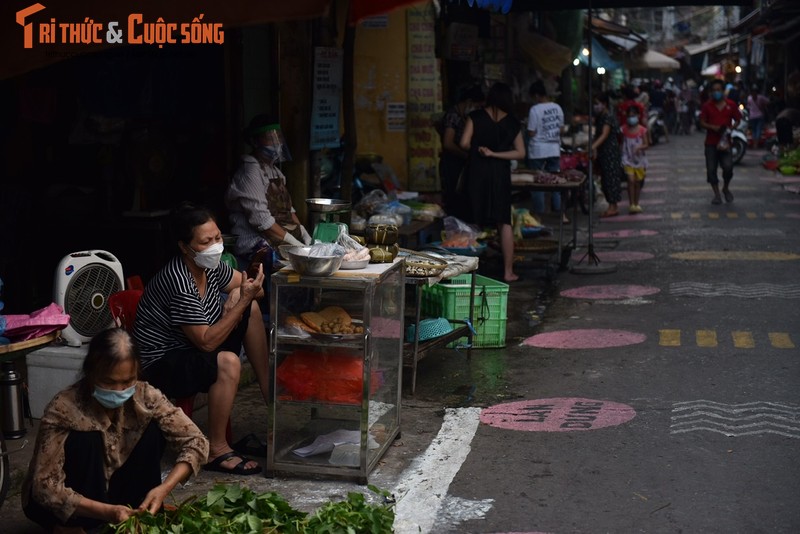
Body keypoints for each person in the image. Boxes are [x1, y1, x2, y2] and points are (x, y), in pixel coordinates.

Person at [22, 328, 209, 532]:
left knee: (152, 429)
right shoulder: (64, 408)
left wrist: (163, 489)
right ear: (91, 373)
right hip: (74, 504)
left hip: (117, 494)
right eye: (109, 382)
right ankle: (76, 526)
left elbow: (196, 441)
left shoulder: (144, 395)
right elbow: (44, 487)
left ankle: (141, 512)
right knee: (86, 438)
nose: (119, 391)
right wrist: (107, 512)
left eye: (127, 381)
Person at [133, 201, 270, 476]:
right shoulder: (179, 280)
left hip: (193, 348)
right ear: (185, 247)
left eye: (218, 237)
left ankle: (272, 401)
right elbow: (206, 343)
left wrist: (238, 296)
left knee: (251, 309)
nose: (216, 245)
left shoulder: (211, 267)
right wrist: (241, 298)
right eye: (206, 241)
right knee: (229, 361)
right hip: (162, 362)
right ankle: (216, 450)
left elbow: (255, 291)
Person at [225, 114, 314, 312]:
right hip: (255, 243)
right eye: (269, 137)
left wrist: (303, 234)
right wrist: (293, 243)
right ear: (255, 142)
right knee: (286, 268)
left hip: (279, 237)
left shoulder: (275, 171)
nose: (276, 142)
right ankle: (277, 319)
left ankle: (302, 315)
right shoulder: (249, 172)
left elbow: (288, 210)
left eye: (278, 136)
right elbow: (261, 221)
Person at [460, 81, 526, 283]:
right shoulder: (513, 122)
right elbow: (520, 152)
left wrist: (481, 150)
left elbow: (463, 143)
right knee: (503, 222)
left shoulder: (475, 117)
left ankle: (466, 272)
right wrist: (496, 154)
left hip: (477, 172)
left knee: (472, 219)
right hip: (500, 174)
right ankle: (508, 271)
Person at [438, 84, 484, 220]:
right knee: (454, 200)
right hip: (452, 163)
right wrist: (466, 155)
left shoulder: (466, 117)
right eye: (477, 106)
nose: (478, 109)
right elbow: (448, 143)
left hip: (462, 163)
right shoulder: (453, 115)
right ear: (469, 102)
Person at [526, 80, 568, 224]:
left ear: (537, 95)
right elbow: (562, 129)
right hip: (554, 149)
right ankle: (561, 213)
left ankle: (538, 214)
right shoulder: (557, 107)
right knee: (556, 182)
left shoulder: (534, 110)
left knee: (537, 183)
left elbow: (531, 132)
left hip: (538, 150)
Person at [699, 78, 742, 205]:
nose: (716, 92)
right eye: (713, 90)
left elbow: (738, 119)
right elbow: (702, 122)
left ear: (723, 91)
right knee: (711, 170)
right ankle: (717, 194)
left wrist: (731, 128)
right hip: (711, 142)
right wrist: (713, 127)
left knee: (728, 167)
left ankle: (726, 187)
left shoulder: (731, 105)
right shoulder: (707, 106)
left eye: (718, 90)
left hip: (726, 142)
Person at [590, 91, 625, 218]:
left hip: (610, 152)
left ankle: (613, 207)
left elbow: (604, 134)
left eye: (597, 104)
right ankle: (612, 206)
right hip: (604, 152)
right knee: (606, 179)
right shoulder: (601, 116)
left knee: (611, 179)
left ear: (604, 104)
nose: (595, 106)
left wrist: (592, 146)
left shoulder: (608, 117)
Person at [621, 106, 649, 214]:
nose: (631, 118)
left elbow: (647, 144)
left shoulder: (642, 130)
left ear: (638, 116)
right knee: (631, 180)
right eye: (629, 116)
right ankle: (631, 204)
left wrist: (639, 147)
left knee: (637, 182)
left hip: (640, 160)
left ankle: (636, 204)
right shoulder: (623, 129)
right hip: (627, 158)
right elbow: (621, 143)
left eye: (633, 115)